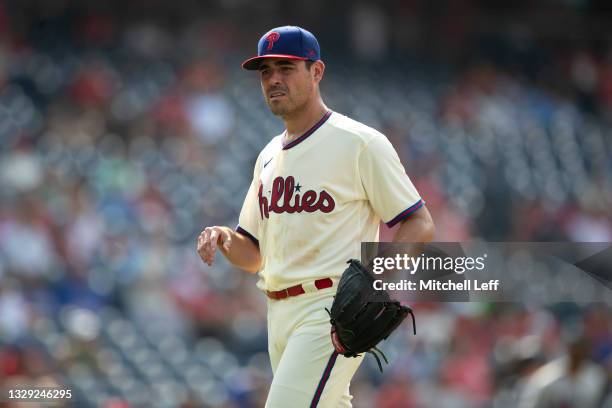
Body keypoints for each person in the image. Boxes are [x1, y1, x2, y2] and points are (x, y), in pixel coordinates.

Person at [197, 25, 435, 408]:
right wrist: (225, 237)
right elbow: (253, 254)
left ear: (316, 72)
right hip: (277, 313)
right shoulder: (268, 156)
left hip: (329, 310)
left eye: (286, 68)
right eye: (265, 71)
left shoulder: (360, 142)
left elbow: (419, 223)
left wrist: (378, 280)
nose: (274, 79)